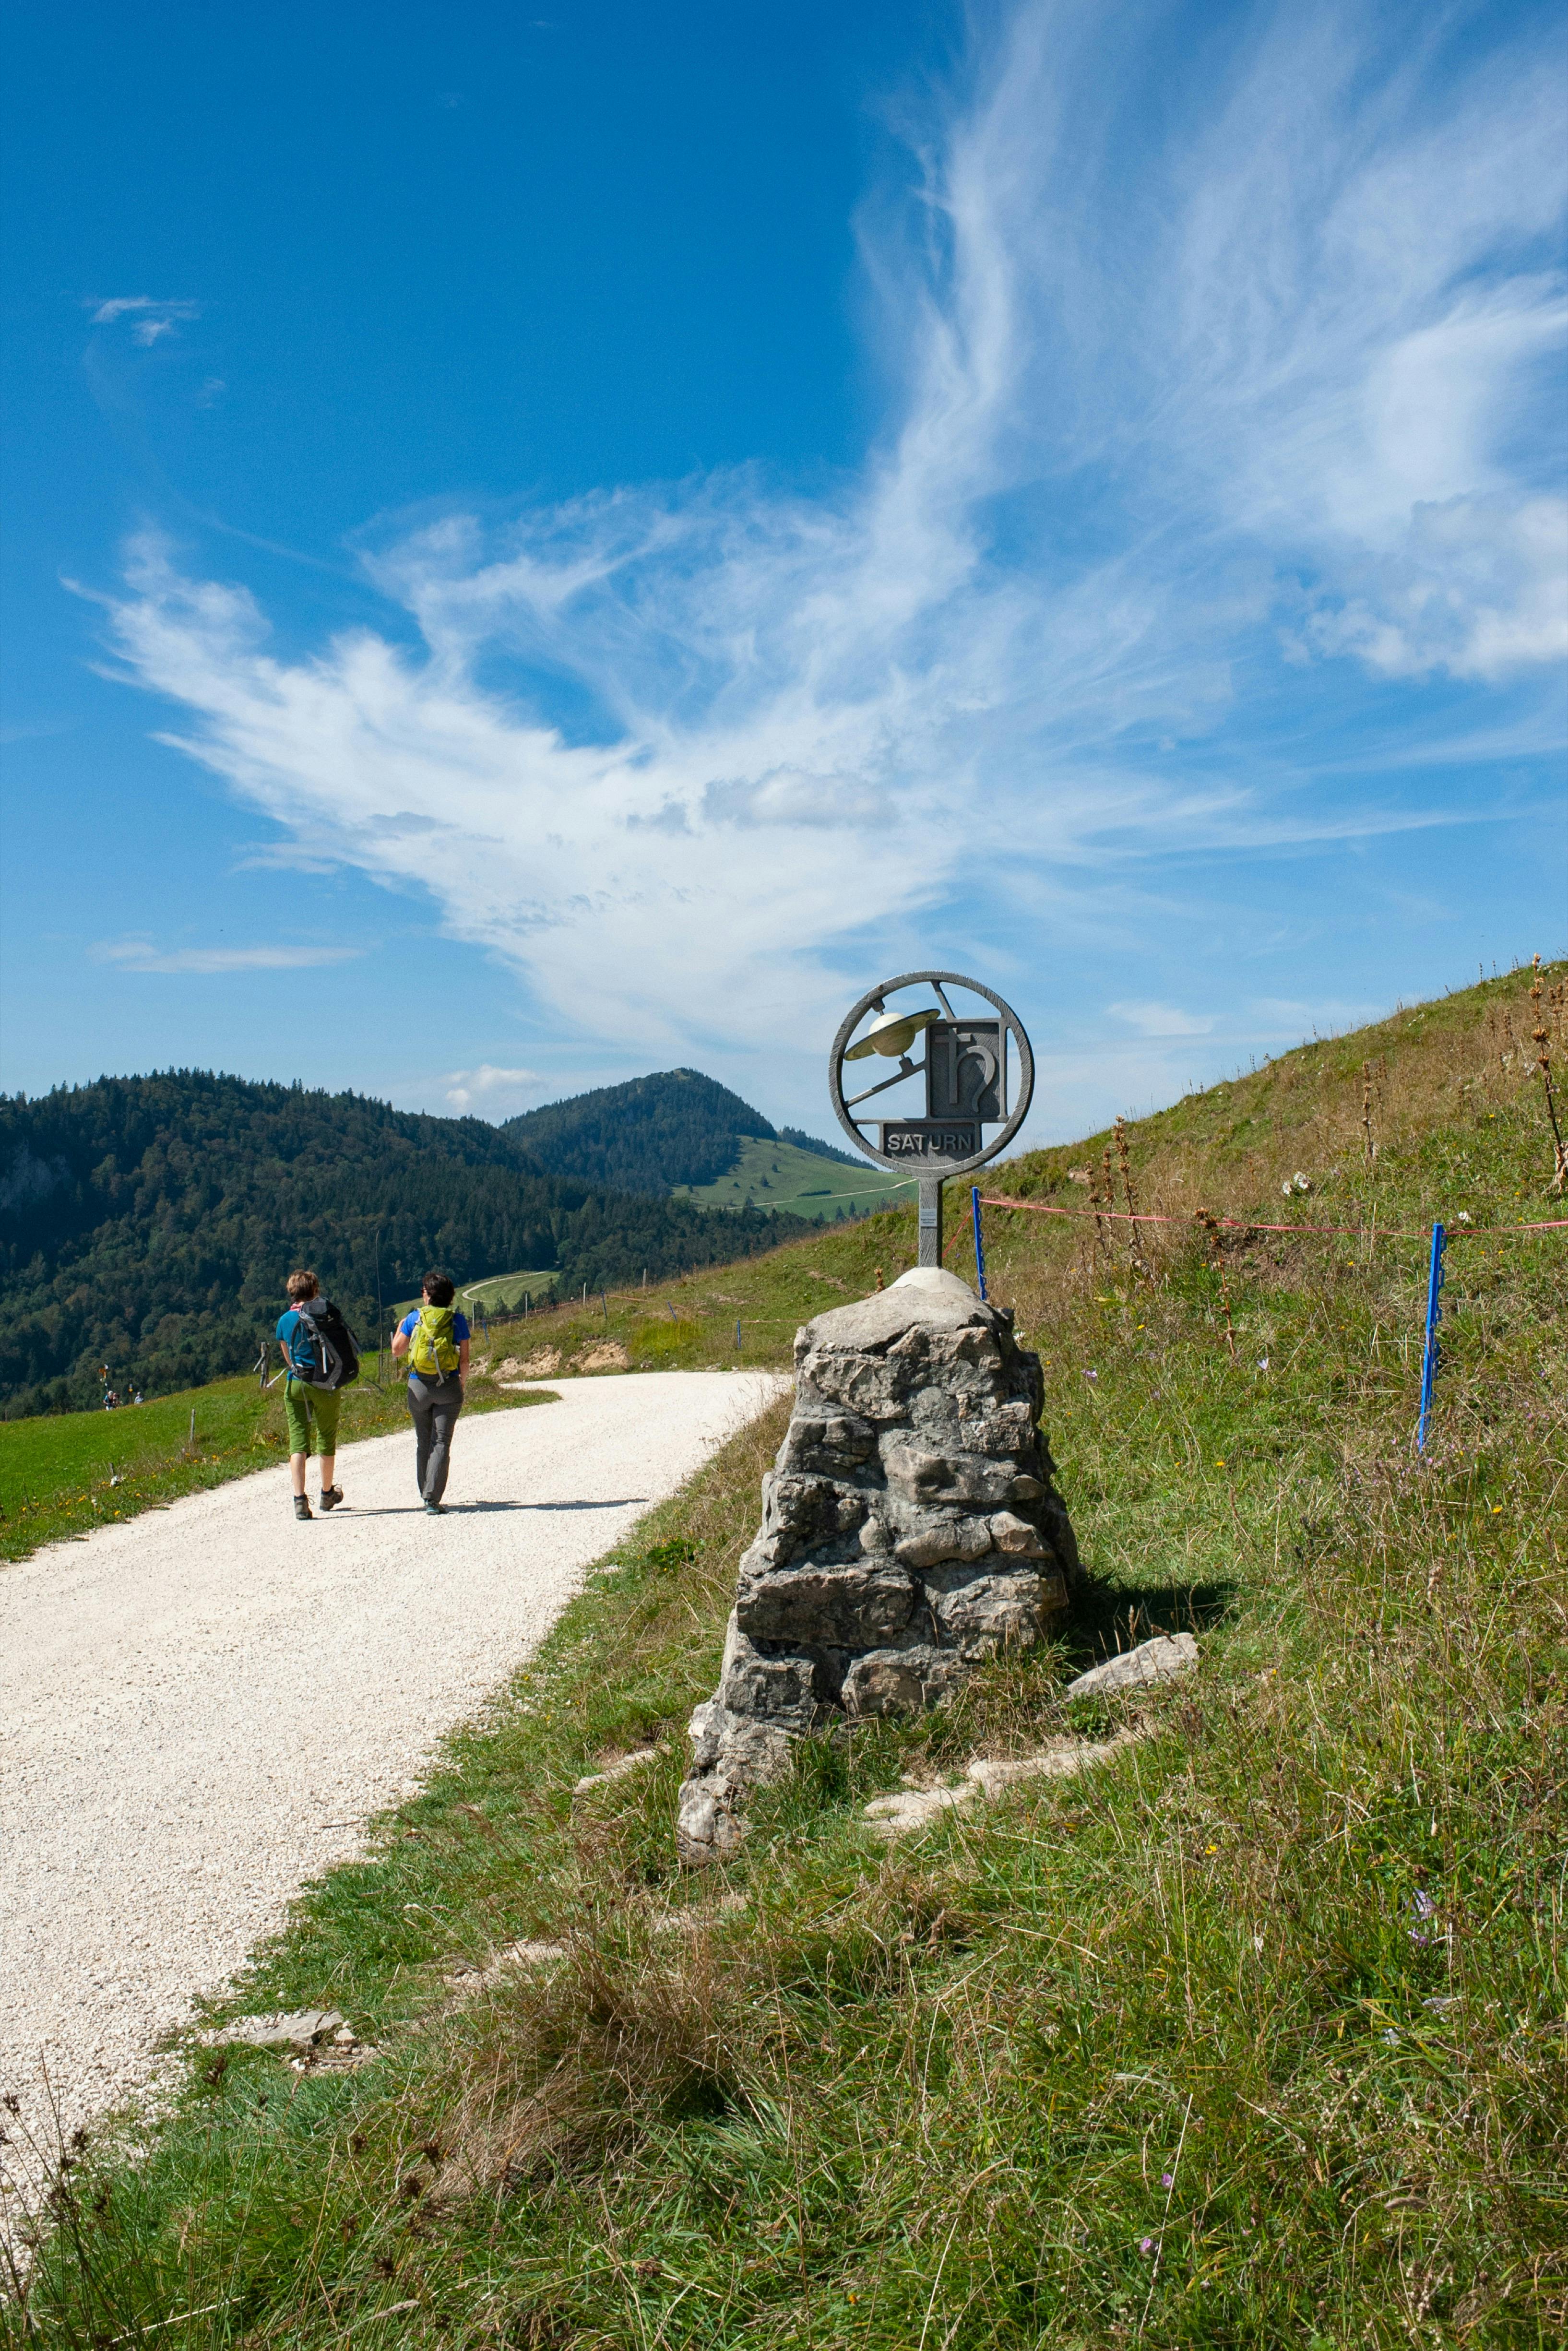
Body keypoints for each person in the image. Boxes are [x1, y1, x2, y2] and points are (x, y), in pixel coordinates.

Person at [391, 1271, 470, 1513]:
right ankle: (432, 1498)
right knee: (442, 1442)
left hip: (418, 1386)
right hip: (448, 1386)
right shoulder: (458, 1321)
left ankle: (424, 1491)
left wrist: (401, 1326)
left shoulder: (414, 1318)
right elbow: (465, 1361)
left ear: (427, 1295)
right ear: (450, 1297)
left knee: (423, 1440)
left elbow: (396, 1351)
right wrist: (461, 1384)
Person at [276, 1270, 344, 1522]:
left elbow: (288, 1356)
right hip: (325, 1384)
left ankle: (300, 1501)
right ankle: (327, 1494)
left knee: (298, 1441)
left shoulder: (284, 1320)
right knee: (326, 1438)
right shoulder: (325, 1315)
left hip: (296, 1384)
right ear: (315, 1291)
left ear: (292, 1292)